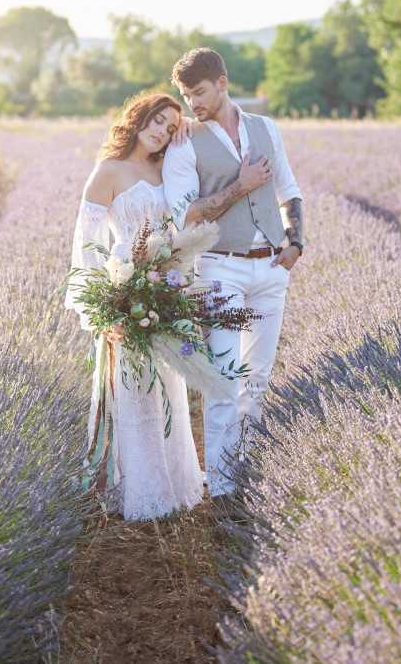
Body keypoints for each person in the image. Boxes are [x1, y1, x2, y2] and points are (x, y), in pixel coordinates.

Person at [162, 47, 304, 498]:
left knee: (257, 381)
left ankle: (246, 475)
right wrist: (241, 186)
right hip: (220, 269)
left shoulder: (266, 128)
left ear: (222, 82)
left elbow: (289, 189)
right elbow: (184, 217)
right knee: (224, 379)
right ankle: (221, 490)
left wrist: (297, 241)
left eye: (199, 92)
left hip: (270, 270)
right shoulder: (185, 142)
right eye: (185, 96)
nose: (192, 104)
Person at [65, 92, 206, 521]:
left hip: (164, 290)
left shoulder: (169, 168)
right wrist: (101, 313)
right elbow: (87, 246)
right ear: (139, 117)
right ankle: (141, 494)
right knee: (133, 392)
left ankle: (174, 485)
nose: (161, 130)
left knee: (167, 390)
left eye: (170, 126)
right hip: (125, 294)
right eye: (157, 120)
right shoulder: (108, 170)